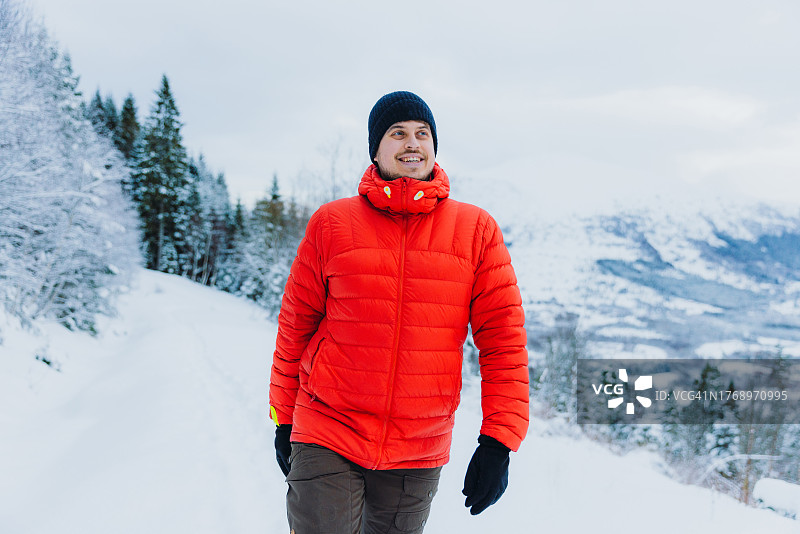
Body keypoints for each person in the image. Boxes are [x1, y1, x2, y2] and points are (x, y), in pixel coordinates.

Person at [269, 91, 529, 534]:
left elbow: (503, 341)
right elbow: (296, 325)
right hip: (329, 424)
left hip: (418, 444)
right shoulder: (332, 224)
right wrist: (283, 416)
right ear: (376, 148)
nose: (412, 143)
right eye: (398, 133)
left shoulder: (475, 230)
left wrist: (499, 441)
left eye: (422, 134)